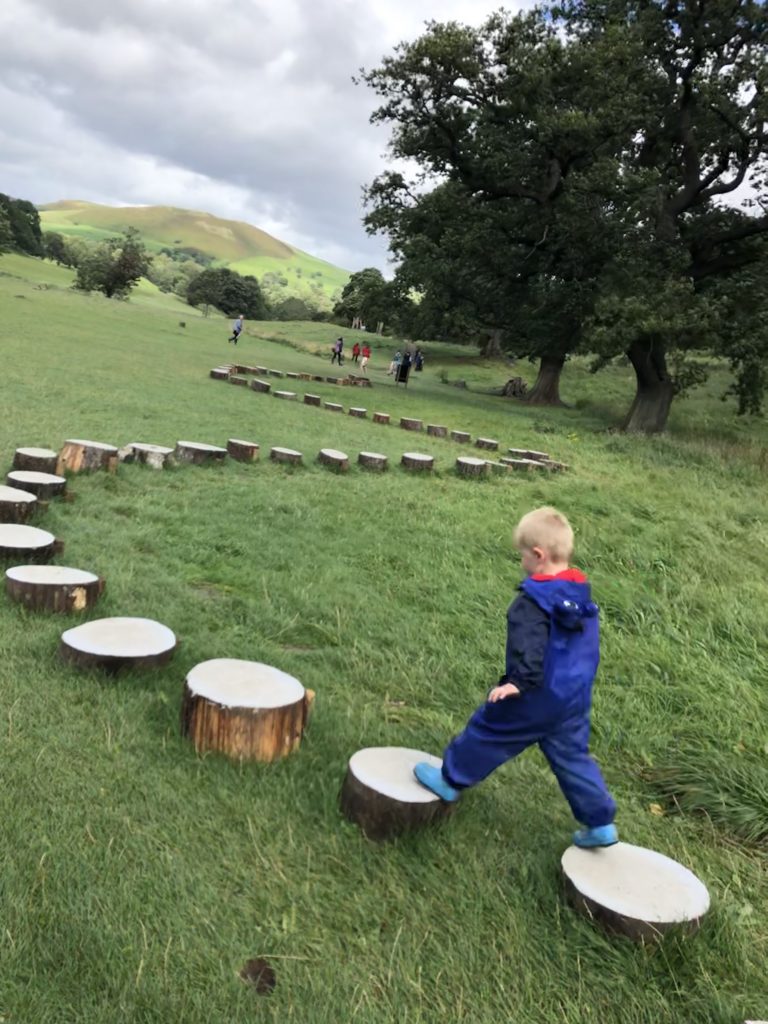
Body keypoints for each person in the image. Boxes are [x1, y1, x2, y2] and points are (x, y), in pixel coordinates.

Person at [413, 506, 618, 849]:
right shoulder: (580, 595)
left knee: (490, 731)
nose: (521, 561)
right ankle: (599, 822)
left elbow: (530, 646)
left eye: (522, 554)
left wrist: (517, 683)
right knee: (573, 758)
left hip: (534, 694)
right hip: (572, 699)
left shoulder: (532, 601)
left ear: (538, 555)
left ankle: (451, 778)